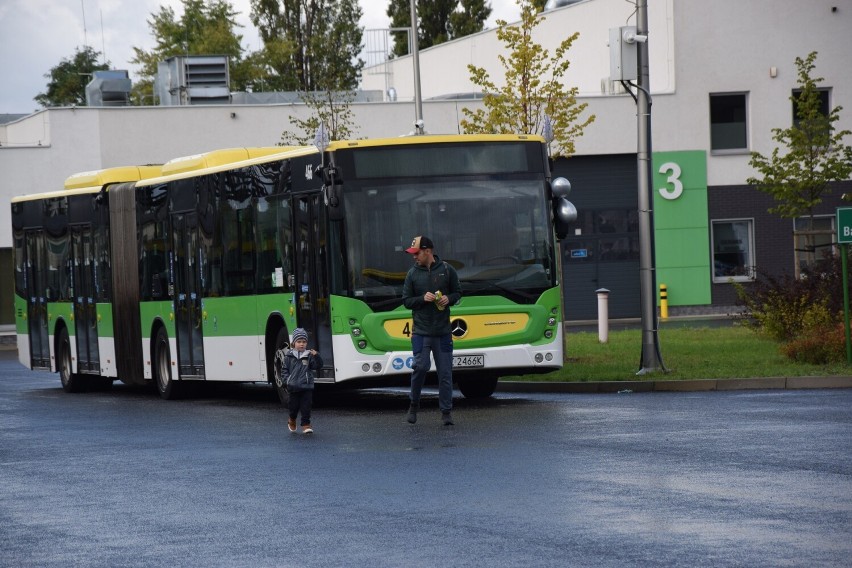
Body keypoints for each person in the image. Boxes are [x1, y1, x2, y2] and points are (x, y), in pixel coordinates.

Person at [401, 236, 462, 426]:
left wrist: (448, 299)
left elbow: (458, 293)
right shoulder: (412, 274)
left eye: (416, 253)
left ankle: (446, 413)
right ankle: (414, 404)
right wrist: (422, 299)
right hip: (421, 331)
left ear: (428, 251)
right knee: (420, 367)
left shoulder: (446, 269)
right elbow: (406, 301)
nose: (414, 257)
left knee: (445, 374)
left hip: (443, 331)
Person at [279, 327, 323, 434]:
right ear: (294, 343)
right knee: (293, 407)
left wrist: (316, 356)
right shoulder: (289, 356)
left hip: (306, 386)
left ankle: (306, 424)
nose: (302, 344)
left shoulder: (309, 355)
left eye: (304, 342)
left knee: (306, 407)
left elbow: (318, 366)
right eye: (299, 342)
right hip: (293, 387)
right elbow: (284, 370)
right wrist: (286, 381)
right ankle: (292, 419)